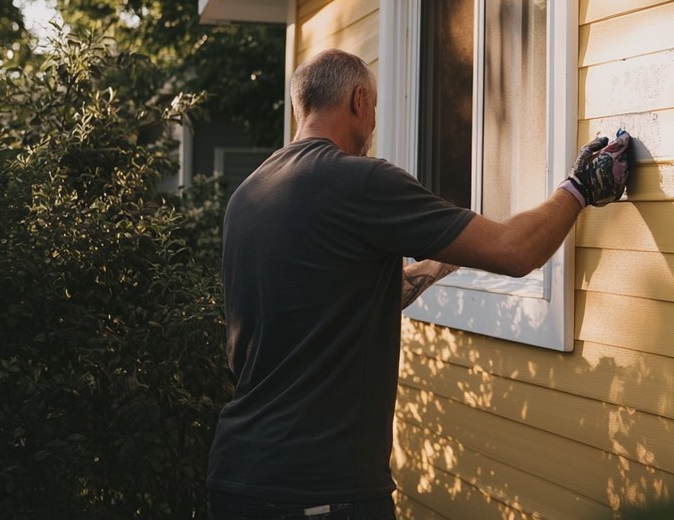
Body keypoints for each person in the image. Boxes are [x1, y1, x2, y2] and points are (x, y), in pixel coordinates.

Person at [206, 48, 631, 520]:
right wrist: (578, 188)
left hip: (237, 477)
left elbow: (331, 295)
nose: (372, 126)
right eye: (374, 109)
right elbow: (516, 251)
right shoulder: (359, 181)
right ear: (359, 100)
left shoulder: (247, 197)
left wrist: (443, 256)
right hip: (318, 489)